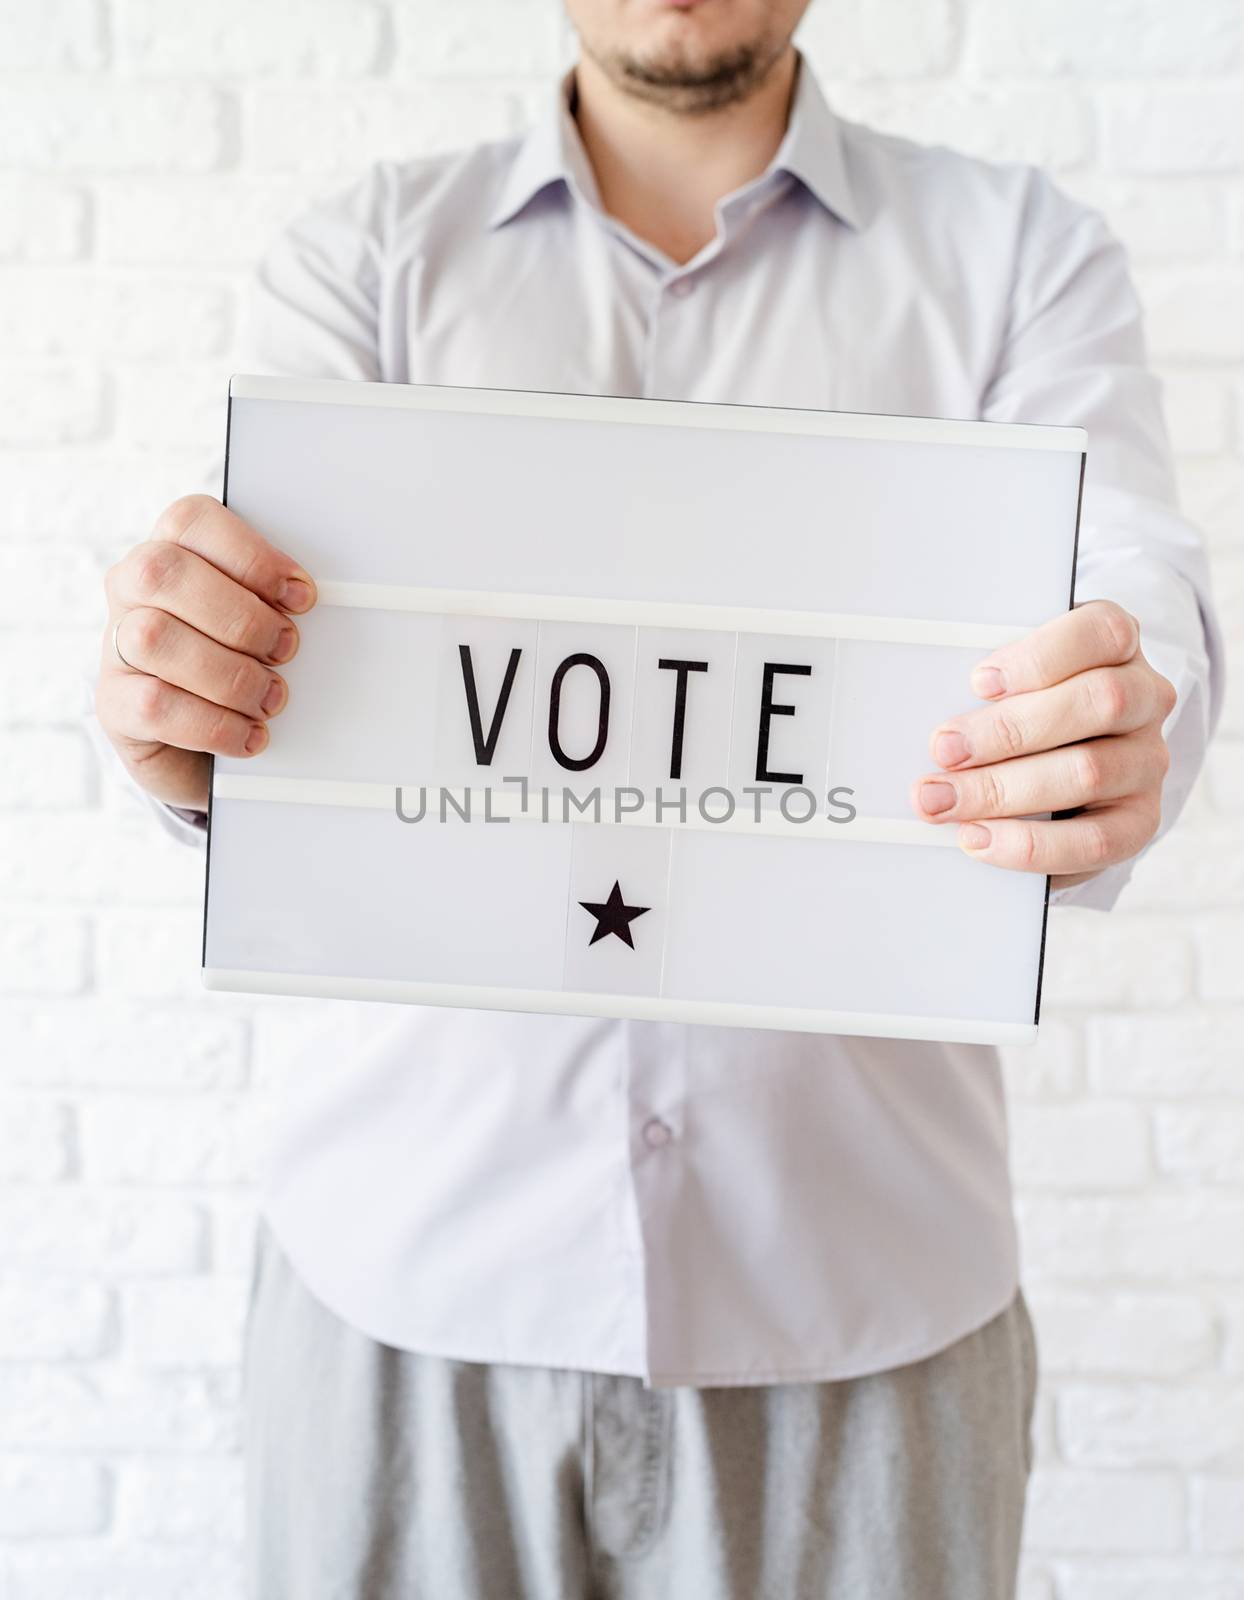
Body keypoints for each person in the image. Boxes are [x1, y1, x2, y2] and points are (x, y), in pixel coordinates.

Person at [93, 1, 1222, 1595]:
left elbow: (1134, 573)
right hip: (403, 1293)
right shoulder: (362, 257)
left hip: (865, 1302)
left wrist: (1118, 707)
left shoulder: (1024, 252)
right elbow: (265, 686)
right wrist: (188, 725)